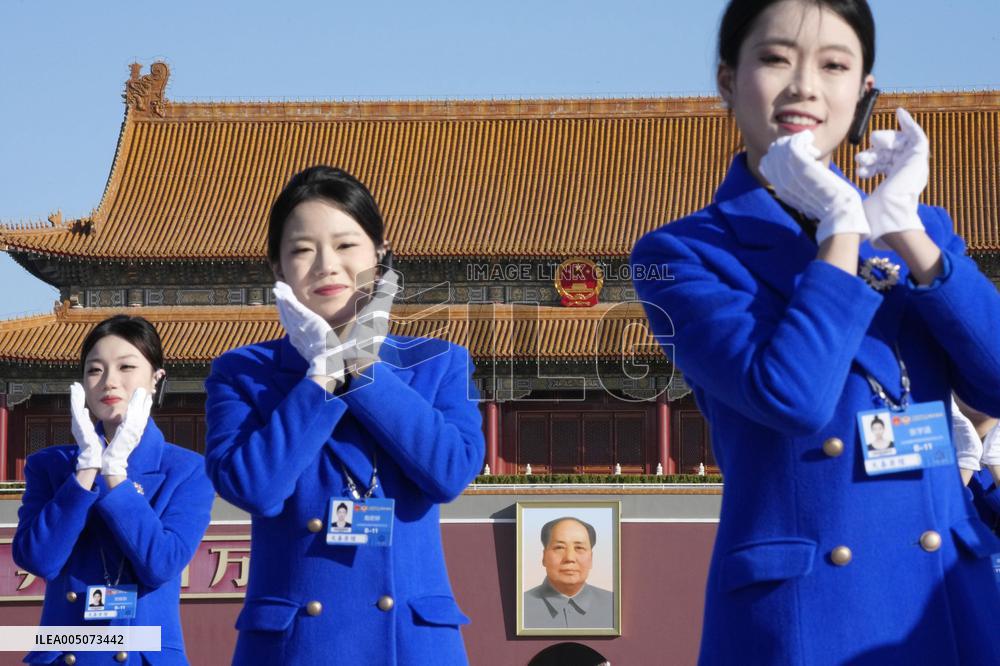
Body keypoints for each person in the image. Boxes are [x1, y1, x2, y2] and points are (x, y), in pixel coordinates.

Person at [630, 1, 1000, 663]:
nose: (804, 83)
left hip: (942, 602)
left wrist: (904, 231)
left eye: (834, 65)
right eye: (776, 59)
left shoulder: (918, 231)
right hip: (806, 617)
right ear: (726, 79)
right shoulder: (679, 254)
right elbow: (791, 396)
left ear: (863, 93)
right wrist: (839, 228)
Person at [204, 165, 485, 665]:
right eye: (302, 249)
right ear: (277, 269)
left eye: (345, 245)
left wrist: (360, 367)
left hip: (411, 643)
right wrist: (320, 376)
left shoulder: (440, 362)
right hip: (296, 647)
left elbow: (449, 473)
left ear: (379, 257)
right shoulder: (243, 372)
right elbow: (254, 488)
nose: (325, 265)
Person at [12, 315, 215, 665]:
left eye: (126, 367)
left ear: (156, 379)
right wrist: (87, 468)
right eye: (95, 370)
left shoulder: (187, 470)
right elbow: (38, 559)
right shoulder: (50, 466)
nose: (109, 382)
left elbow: (161, 563)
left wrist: (116, 473)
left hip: (141, 655)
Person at [523, 517, 614, 629]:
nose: (569, 558)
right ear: (544, 557)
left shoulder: (614, 605)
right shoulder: (520, 606)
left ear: (591, 558)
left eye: (579, 548)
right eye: (559, 547)